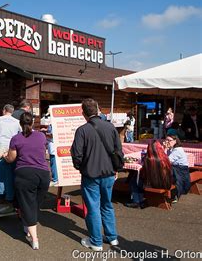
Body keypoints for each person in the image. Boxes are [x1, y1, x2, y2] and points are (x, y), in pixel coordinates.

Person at [71, 98, 122, 251]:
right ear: (98, 109)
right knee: (107, 205)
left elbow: (76, 154)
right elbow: (118, 151)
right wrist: (116, 169)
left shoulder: (82, 130)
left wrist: (80, 167)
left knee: (93, 207)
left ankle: (96, 242)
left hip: (90, 174)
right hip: (108, 173)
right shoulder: (110, 127)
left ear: (83, 113)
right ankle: (112, 238)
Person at [4, 112, 50, 250]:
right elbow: (44, 151)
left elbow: (11, 159)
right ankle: (27, 226)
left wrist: (5, 156)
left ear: (20, 123)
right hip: (43, 175)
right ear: (32, 123)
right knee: (34, 204)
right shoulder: (41, 136)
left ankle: (34, 239)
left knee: (28, 205)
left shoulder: (16, 139)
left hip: (25, 174)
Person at [0, 104, 21, 202]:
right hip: (13, 148)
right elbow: (22, 132)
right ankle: (11, 195)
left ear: (4, 110)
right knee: (12, 171)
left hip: (1, 147)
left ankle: (0, 195)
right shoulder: (17, 121)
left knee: (1, 172)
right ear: (12, 111)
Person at [125, 141, 172, 208]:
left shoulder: (149, 159)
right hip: (166, 182)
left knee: (135, 180)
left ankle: (136, 202)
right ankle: (140, 200)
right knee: (137, 179)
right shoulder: (165, 157)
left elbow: (144, 172)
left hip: (156, 184)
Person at [165, 135, 191, 202]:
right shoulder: (172, 148)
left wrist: (164, 148)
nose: (167, 142)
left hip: (181, 170)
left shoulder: (177, 150)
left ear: (175, 141)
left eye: (169, 140)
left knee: (163, 173)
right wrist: (166, 149)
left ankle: (174, 194)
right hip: (178, 168)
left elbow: (166, 161)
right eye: (166, 140)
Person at [41, 116, 58, 186]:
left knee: (53, 163)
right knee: (53, 163)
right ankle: (55, 178)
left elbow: (52, 135)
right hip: (52, 146)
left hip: (53, 146)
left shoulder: (53, 124)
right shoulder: (52, 124)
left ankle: (55, 179)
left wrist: (44, 133)